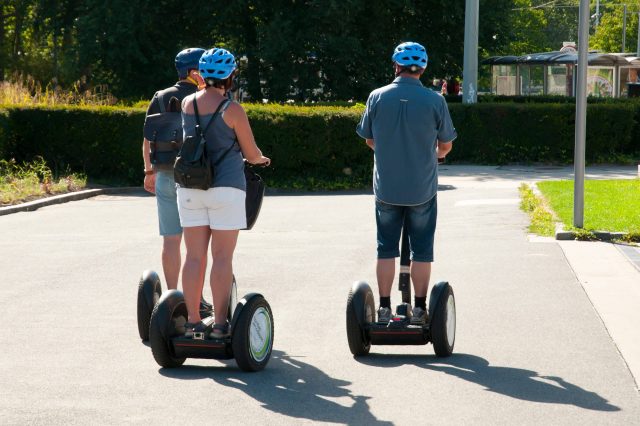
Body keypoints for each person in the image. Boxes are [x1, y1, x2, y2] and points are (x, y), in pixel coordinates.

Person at [356, 41, 457, 325]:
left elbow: (369, 139)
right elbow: (446, 145)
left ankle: (385, 307)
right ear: (423, 68)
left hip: (386, 188)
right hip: (422, 190)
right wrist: (434, 154)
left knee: (385, 247)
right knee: (421, 249)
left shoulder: (376, 96)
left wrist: (389, 150)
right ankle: (422, 309)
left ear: (396, 66)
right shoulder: (436, 100)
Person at [178, 47, 270, 338]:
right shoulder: (233, 109)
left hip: (191, 187)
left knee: (193, 257)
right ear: (230, 75)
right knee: (221, 257)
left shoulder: (187, 104)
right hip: (226, 189)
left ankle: (192, 321)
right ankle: (219, 325)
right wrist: (261, 159)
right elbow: (251, 152)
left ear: (202, 74)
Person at [142, 48, 212, 313]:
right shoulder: (204, 97)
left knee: (171, 239)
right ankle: (198, 298)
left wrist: (149, 171)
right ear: (194, 71)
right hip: (197, 177)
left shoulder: (160, 97)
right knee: (198, 245)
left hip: (165, 173)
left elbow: (147, 139)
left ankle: (171, 298)